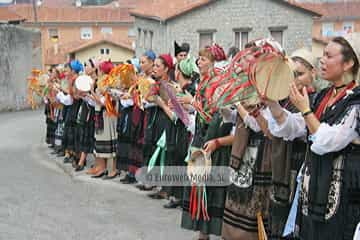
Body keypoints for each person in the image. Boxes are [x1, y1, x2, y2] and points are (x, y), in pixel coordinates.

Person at [266, 33, 360, 240]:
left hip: (340, 195)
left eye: (328, 56)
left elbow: (328, 141)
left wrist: (305, 110)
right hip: (314, 189)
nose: (322, 60)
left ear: (349, 63)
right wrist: (271, 101)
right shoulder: (322, 96)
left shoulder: (356, 102)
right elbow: (293, 127)